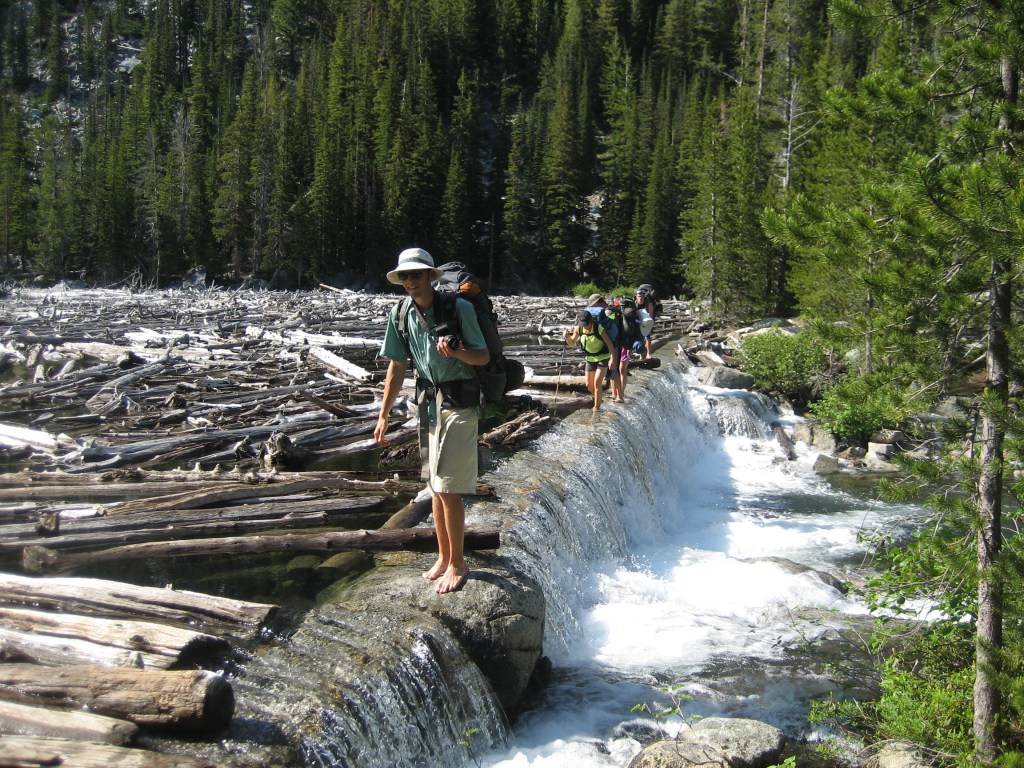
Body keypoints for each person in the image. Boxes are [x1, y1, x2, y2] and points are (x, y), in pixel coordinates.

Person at [374, 247, 490, 594]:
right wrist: (383, 415)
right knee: (435, 487)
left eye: (416, 274)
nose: (410, 281)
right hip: (428, 406)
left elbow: (482, 356)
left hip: (460, 403)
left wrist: (457, 353)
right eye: (405, 276)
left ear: (430, 276)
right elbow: (396, 366)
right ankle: (443, 555)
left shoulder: (460, 308)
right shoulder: (400, 314)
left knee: (447, 486)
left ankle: (458, 562)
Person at [564, 308, 615, 413]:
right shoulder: (579, 328)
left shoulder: (598, 328)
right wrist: (567, 337)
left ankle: (596, 408)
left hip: (603, 357)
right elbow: (572, 343)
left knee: (597, 382)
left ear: (591, 321)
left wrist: (612, 359)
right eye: (582, 324)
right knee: (588, 384)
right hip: (590, 357)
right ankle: (599, 399)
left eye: (586, 324)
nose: (584, 326)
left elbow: (610, 344)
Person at [585, 294, 624, 403]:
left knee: (613, 372)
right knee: (613, 372)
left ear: (598, 302)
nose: (593, 307)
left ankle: (619, 396)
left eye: (594, 304)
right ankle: (616, 395)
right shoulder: (608, 311)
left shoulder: (607, 312)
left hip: (610, 344)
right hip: (611, 343)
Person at [634, 286, 657, 360]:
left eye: (642, 296)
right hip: (638, 321)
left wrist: (648, 324)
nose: (640, 298)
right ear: (636, 296)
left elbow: (651, 315)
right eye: (639, 296)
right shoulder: (634, 303)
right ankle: (641, 354)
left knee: (647, 336)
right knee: (639, 337)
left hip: (647, 321)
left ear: (644, 296)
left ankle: (648, 354)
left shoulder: (648, 303)